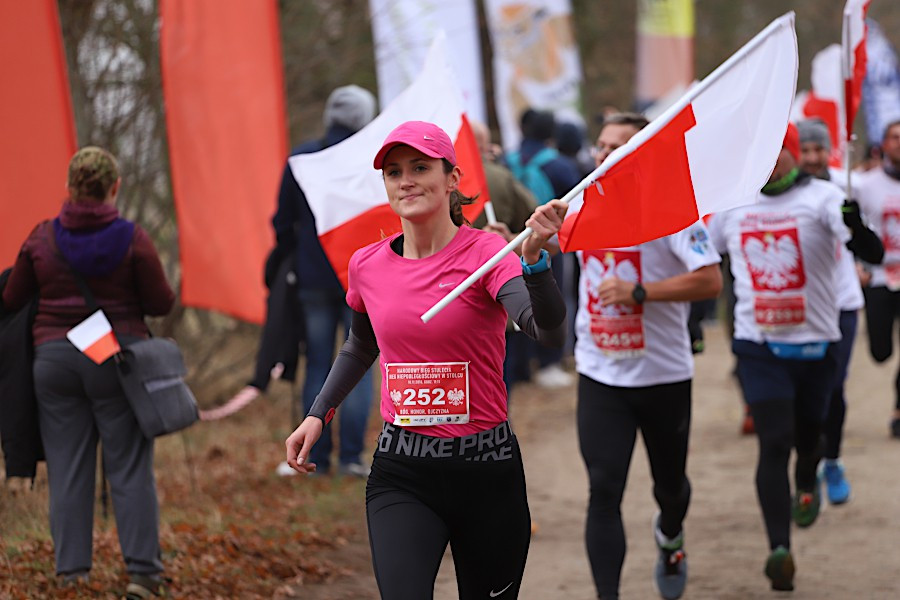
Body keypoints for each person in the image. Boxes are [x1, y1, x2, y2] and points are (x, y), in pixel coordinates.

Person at [284, 121, 568, 599]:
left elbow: (547, 331)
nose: (406, 180)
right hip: (404, 471)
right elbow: (360, 345)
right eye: (394, 172)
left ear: (452, 178)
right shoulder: (367, 265)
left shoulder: (486, 253)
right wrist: (318, 414)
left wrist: (536, 263)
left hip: (486, 468)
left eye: (420, 167)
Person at [708, 123, 882, 591]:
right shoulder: (733, 203)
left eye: (772, 153)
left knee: (809, 438)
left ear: (787, 155)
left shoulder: (822, 198)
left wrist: (855, 223)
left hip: (817, 344)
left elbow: (873, 252)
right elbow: (701, 262)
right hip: (758, 346)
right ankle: (778, 550)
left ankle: (809, 478)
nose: (763, 163)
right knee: (774, 441)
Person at [1, 147, 174, 598]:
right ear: (114, 187)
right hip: (116, 362)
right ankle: (142, 575)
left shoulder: (41, 238)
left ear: (70, 188)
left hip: (54, 364)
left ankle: (71, 574)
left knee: (67, 469)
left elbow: (13, 296)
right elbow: (160, 303)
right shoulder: (133, 238)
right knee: (130, 468)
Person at [576, 113, 723, 600]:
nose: (603, 155)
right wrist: (519, 236)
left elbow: (710, 281)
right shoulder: (579, 204)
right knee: (603, 489)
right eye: (600, 146)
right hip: (601, 374)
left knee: (670, 488)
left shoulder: (674, 210)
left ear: (641, 155)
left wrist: (641, 291)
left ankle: (671, 534)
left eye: (616, 147)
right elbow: (533, 247)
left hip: (663, 376)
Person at [272, 85, 378, 477]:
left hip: (313, 278)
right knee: (360, 359)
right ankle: (351, 458)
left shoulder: (302, 158)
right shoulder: (372, 160)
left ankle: (309, 456)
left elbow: (281, 222)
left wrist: (297, 252)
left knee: (318, 361)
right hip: (363, 277)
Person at [797, 118, 884, 503]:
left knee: (832, 390)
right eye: (805, 150)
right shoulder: (779, 191)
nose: (812, 158)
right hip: (795, 306)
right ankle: (806, 463)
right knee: (798, 397)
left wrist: (864, 260)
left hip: (841, 302)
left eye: (819, 149)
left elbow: (867, 235)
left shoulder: (848, 185)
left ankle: (830, 460)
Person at [506, 108, 581, 389]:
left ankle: (521, 366)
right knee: (551, 298)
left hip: (511, 243)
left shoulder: (507, 160)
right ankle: (549, 362)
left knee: (517, 300)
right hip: (549, 243)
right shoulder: (559, 166)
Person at [468, 119, 539, 396]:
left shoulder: (439, 181)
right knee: (497, 369)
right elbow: (534, 217)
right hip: (498, 286)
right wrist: (510, 237)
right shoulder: (500, 177)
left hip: (450, 290)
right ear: (484, 146)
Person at [855, 119, 900, 438]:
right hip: (880, 276)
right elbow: (851, 230)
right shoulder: (864, 184)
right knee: (880, 351)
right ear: (883, 144)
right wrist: (858, 265)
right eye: (895, 138)